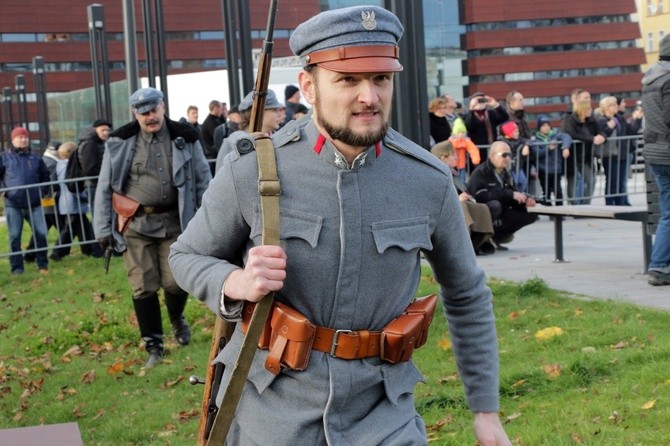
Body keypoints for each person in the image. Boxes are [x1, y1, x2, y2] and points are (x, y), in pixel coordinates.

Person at [169, 5, 511, 445]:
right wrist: (234, 281)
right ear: (309, 86)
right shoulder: (253, 169)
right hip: (274, 413)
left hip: (383, 416)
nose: (369, 96)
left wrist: (486, 411)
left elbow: (466, 293)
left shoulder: (427, 180)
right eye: (348, 80)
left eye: (380, 78)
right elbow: (186, 255)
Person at [93, 87, 212, 367]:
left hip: (177, 222)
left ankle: (176, 318)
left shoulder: (186, 136)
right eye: (143, 112)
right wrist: (102, 229)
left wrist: (209, 219)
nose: (150, 117)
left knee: (176, 280)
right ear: (135, 114)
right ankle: (154, 346)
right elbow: (104, 187)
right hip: (136, 225)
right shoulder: (120, 141)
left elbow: (204, 181)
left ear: (162, 107)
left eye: (154, 110)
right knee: (143, 285)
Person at [467, 140, 538, 251]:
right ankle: (481, 239)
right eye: (504, 155)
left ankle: (497, 237)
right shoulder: (480, 172)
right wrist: (508, 193)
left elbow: (512, 196)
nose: (508, 158)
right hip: (481, 215)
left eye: (510, 155)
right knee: (494, 205)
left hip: (502, 213)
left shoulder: (506, 173)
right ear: (492, 156)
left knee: (531, 213)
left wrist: (525, 201)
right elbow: (480, 197)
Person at [0, 127, 50, 275]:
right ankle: (17, 268)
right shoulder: (4, 157)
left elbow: (45, 176)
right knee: (14, 237)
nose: (23, 140)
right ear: (13, 140)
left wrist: (42, 191)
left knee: (41, 234)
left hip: (34, 203)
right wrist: (5, 191)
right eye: (20, 137)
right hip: (13, 204)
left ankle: (43, 264)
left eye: (25, 137)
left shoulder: (36, 158)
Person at [641, 33, 670, 286]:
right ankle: (659, 266)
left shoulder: (651, 78)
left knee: (668, 211)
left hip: (655, 153)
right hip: (668, 151)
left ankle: (660, 265)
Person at [431, 140, 494, 254]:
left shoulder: (452, 173)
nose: (456, 157)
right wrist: (458, 199)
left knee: (481, 208)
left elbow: (461, 191)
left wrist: (465, 197)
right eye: (453, 155)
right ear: (443, 158)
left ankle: (478, 243)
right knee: (461, 206)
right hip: (441, 209)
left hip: (454, 205)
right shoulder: (433, 174)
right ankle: (462, 245)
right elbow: (434, 196)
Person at [51, 142, 102, 260]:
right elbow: (72, 185)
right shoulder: (68, 166)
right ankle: (57, 252)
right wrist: (84, 198)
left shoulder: (60, 165)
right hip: (72, 202)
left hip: (70, 203)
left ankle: (88, 250)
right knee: (69, 230)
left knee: (83, 227)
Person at [214, 89, 285, 172]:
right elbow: (222, 182)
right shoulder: (231, 144)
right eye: (275, 110)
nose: (279, 114)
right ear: (260, 112)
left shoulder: (280, 140)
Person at [561, 99, 605, 204]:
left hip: (586, 156)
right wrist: (592, 138)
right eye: (589, 109)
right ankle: (574, 205)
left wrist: (602, 136)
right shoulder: (570, 120)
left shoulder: (591, 120)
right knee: (573, 181)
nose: (591, 110)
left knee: (591, 180)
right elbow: (573, 134)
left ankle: (586, 204)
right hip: (573, 155)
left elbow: (600, 131)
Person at [24, 140, 62, 262]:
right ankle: (57, 252)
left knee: (45, 229)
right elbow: (51, 183)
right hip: (49, 200)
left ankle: (30, 255)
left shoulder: (46, 160)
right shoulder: (50, 162)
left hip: (48, 201)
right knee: (65, 228)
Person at [594, 96, 628, 206]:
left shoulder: (619, 118)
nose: (616, 106)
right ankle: (609, 202)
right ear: (607, 107)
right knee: (612, 180)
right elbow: (602, 136)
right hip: (609, 154)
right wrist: (609, 127)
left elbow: (628, 131)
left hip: (621, 153)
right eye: (613, 104)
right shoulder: (602, 120)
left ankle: (620, 203)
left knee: (620, 181)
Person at [532, 115, 572, 205]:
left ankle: (559, 214)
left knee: (558, 191)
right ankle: (550, 211)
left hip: (555, 169)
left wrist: (566, 147)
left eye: (547, 125)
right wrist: (549, 148)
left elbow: (567, 137)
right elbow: (537, 153)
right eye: (543, 126)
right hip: (543, 170)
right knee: (546, 192)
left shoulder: (555, 135)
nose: (546, 128)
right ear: (539, 127)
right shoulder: (535, 140)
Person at [78, 118, 112, 219]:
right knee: (99, 214)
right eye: (103, 130)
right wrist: (105, 174)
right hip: (94, 185)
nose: (106, 133)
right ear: (94, 129)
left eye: (107, 130)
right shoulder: (90, 144)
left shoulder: (97, 143)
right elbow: (89, 169)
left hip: (97, 183)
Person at [463, 91, 509, 163]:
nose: (480, 102)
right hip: (476, 152)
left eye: (482, 100)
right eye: (478, 101)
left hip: (491, 149)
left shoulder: (491, 114)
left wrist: (496, 105)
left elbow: (504, 118)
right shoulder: (469, 115)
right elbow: (469, 126)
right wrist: (471, 108)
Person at [447, 117, 480, 184]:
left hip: (462, 164)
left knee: (462, 179)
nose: (461, 134)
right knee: (452, 179)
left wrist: (475, 159)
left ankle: (462, 190)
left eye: (463, 132)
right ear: (454, 133)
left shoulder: (466, 140)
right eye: (459, 132)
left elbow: (473, 149)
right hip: (452, 164)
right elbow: (450, 148)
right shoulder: (451, 141)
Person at [200, 99, 225, 172]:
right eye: (220, 108)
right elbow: (218, 139)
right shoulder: (211, 122)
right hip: (213, 157)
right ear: (215, 108)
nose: (222, 111)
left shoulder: (214, 120)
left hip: (213, 155)